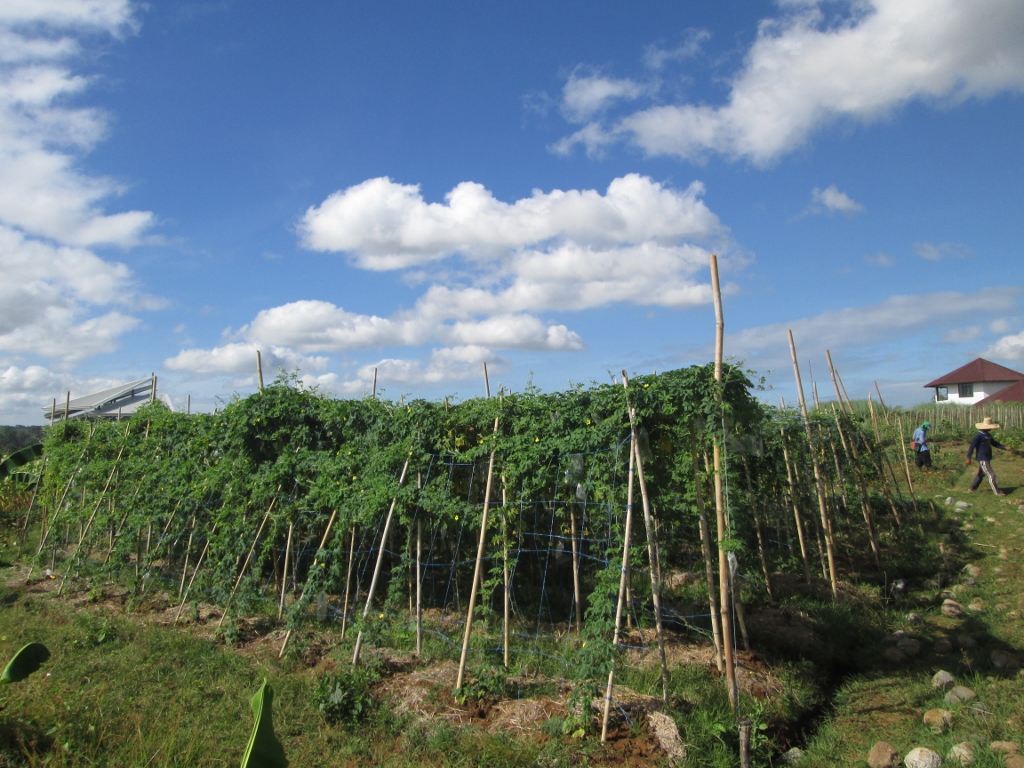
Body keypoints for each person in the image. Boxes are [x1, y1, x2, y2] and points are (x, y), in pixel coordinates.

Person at [966, 416, 1010, 496]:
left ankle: (972, 489)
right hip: (982, 458)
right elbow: (972, 447)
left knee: (981, 474)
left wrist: (1004, 447)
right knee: (991, 474)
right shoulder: (978, 436)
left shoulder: (988, 435)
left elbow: (994, 443)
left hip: (987, 457)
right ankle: (998, 492)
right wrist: (968, 458)